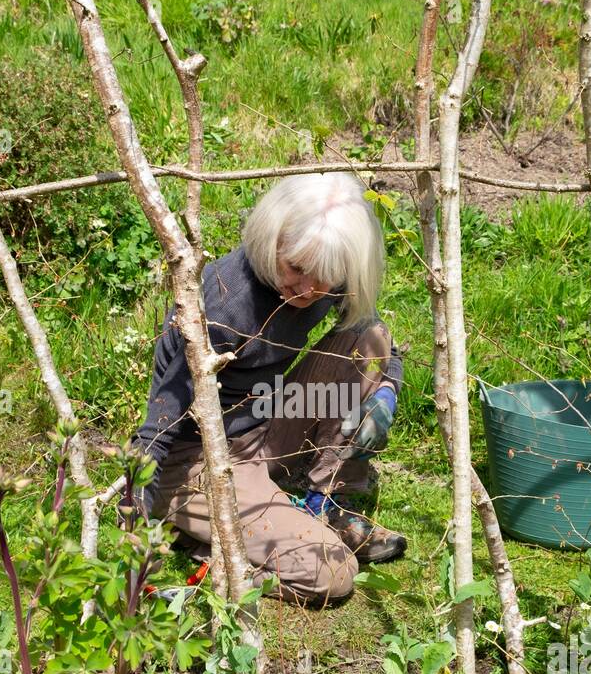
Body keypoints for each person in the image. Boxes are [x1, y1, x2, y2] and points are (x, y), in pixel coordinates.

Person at [131, 172, 407, 606]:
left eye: (324, 280)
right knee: (332, 572)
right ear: (273, 239)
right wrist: (135, 531)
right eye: (295, 268)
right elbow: (157, 430)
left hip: (265, 424)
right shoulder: (222, 306)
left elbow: (381, 345)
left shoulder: (323, 277)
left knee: (368, 338)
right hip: (200, 460)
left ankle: (328, 503)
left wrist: (386, 391)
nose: (305, 290)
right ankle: (226, 560)